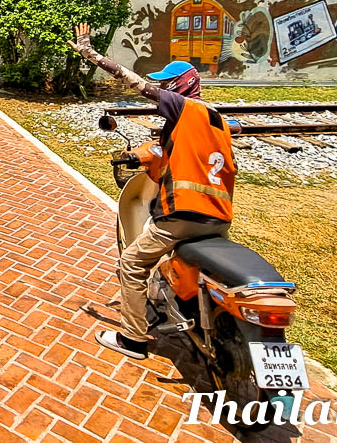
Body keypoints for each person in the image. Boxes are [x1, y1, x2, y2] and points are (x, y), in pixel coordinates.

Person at [68, 22, 237, 360]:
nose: (161, 90)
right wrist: (135, 155)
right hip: (220, 218)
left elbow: (133, 83)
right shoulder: (215, 120)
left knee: (131, 263)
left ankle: (133, 340)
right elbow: (167, 154)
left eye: (166, 85)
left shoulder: (185, 107)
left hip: (183, 214)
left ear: (180, 86)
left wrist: (90, 53)